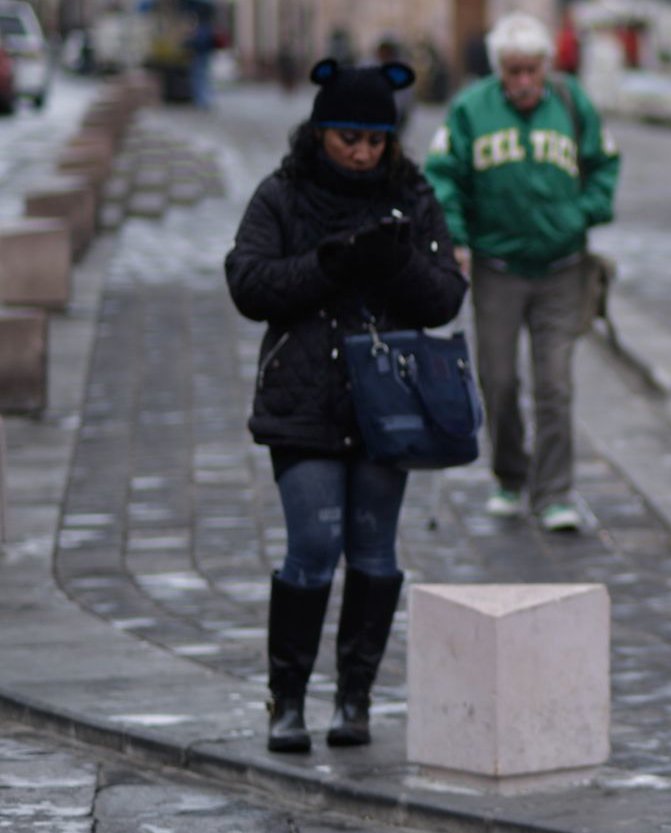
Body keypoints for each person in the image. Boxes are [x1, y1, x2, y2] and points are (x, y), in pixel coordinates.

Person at [225, 59, 468, 754]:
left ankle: (355, 698)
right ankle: (288, 700)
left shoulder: (412, 195)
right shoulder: (283, 195)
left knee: (373, 550)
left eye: (375, 140)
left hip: (387, 401)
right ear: (320, 133)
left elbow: (447, 295)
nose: (362, 153)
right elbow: (247, 281)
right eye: (347, 138)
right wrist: (327, 264)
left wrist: (394, 264)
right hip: (303, 396)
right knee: (312, 544)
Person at [425, 13, 621, 532]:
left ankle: (554, 492)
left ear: (545, 67)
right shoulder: (471, 109)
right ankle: (510, 475)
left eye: (532, 70)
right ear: (498, 71)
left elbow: (604, 164)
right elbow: (444, 177)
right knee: (500, 380)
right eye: (513, 71)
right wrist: (457, 238)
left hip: (562, 268)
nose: (524, 82)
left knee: (554, 384)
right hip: (498, 269)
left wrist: (582, 214)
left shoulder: (572, 103)